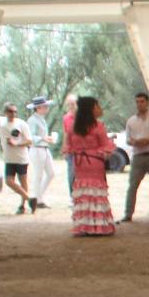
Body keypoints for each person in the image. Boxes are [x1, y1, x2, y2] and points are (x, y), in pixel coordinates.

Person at [62, 96, 116, 237]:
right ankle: (97, 225)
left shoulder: (74, 127)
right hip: (94, 162)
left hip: (79, 163)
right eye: (97, 106)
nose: (100, 109)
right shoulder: (98, 126)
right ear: (91, 109)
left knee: (84, 192)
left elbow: (68, 146)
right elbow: (106, 146)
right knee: (96, 192)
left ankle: (83, 225)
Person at [121, 92, 149, 223]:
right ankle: (128, 213)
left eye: (142, 101)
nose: (139, 104)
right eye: (137, 101)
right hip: (137, 156)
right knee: (132, 185)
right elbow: (128, 139)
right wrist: (133, 142)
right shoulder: (131, 121)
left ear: (147, 102)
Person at [24, 97, 57, 210]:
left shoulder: (41, 119)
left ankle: (38, 197)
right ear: (38, 108)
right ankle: (37, 200)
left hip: (44, 148)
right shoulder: (32, 120)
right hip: (37, 148)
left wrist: (46, 139)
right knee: (38, 175)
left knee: (51, 173)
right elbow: (30, 136)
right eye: (44, 106)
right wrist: (43, 138)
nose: (46, 108)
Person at [62, 94, 78, 198]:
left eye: (73, 104)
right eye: (69, 104)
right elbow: (65, 133)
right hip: (71, 150)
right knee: (71, 173)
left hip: (83, 150)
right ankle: (72, 196)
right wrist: (64, 148)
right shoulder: (66, 118)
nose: (71, 106)